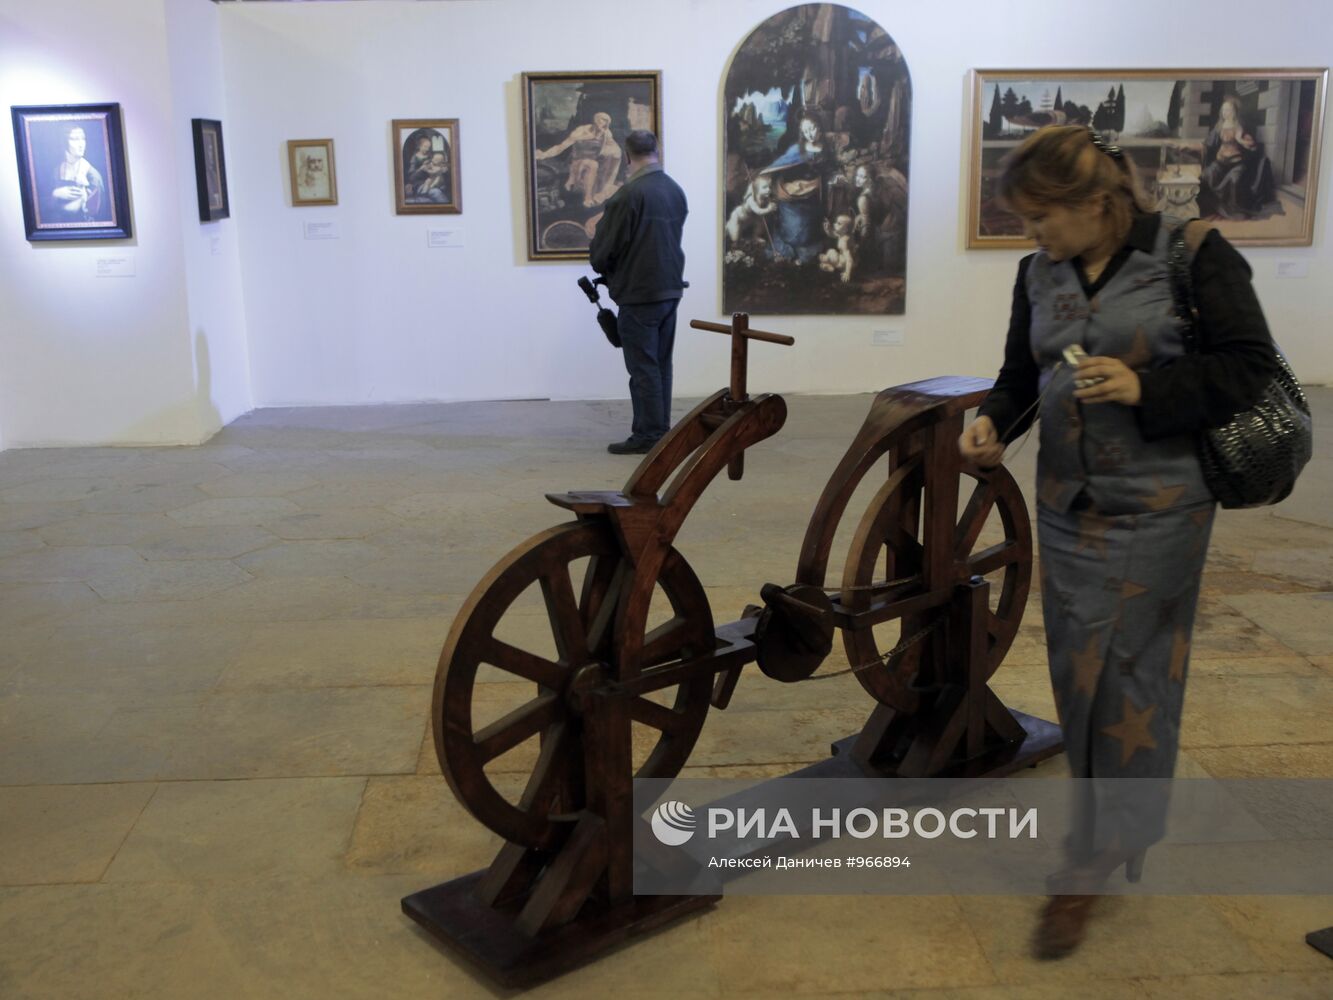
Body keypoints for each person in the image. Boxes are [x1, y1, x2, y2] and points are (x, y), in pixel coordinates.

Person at [957, 125, 1277, 960]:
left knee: (1128, 674)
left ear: (1095, 203)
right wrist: (992, 420)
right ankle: (1103, 834)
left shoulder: (1190, 256)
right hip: (1066, 504)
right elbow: (1020, 376)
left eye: (1041, 220)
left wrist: (1146, 386)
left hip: (1160, 508)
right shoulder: (1040, 272)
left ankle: (1099, 849)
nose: (1033, 238)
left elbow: (1249, 369)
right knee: (1074, 667)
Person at [589, 130, 688, 455]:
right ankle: (660, 431)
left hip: (639, 292)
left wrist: (604, 263)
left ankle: (649, 435)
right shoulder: (674, 190)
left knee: (642, 366)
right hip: (669, 289)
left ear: (628, 156)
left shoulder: (628, 195)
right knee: (660, 364)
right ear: (658, 151)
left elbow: (603, 252)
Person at [1200, 96, 1276, 219]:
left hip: (1235, 164)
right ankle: (1212, 207)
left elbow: (1244, 141)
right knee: (1207, 174)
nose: (1226, 113)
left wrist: (1242, 141)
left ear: (1234, 112)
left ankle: (1233, 210)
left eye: (1229, 110)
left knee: (1234, 179)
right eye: (1224, 110)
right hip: (1220, 163)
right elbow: (1208, 143)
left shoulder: (1239, 126)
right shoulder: (1219, 126)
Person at [535, 111, 623, 208]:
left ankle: (594, 193)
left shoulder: (606, 133)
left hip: (594, 163)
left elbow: (616, 150)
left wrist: (610, 156)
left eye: (607, 122)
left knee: (593, 164)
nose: (605, 124)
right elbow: (561, 146)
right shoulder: (581, 131)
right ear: (595, 120)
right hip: (576, 162)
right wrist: (544, 154)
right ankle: (588, 197)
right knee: (592, 164)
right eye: (603, 120)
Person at [48, 125, 105, 223]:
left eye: (83, 139)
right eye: (75, 139)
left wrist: (55, 197)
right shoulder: (56, 171)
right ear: (64, 142)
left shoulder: (92, 176)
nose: (81, 144)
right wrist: (55, 193)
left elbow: (75, 211)